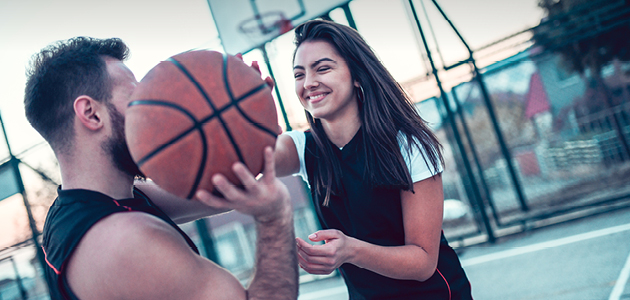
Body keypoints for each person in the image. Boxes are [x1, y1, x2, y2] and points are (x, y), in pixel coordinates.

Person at [24, 37, 298, 300]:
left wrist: (242, 120)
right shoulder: (125, 242)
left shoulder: (87, 207)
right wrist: (275, 218)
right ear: (92, 114)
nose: (152, 109)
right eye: (137, 96)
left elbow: (223, 191)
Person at [274, 20, 473, 299]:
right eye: (299, 74)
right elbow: (253, 160)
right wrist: (243, 106)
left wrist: (350, 250)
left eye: (323, 68)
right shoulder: (303, 148)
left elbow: (423, 262)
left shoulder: (407, 144)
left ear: (356, 74)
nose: (308, 83)